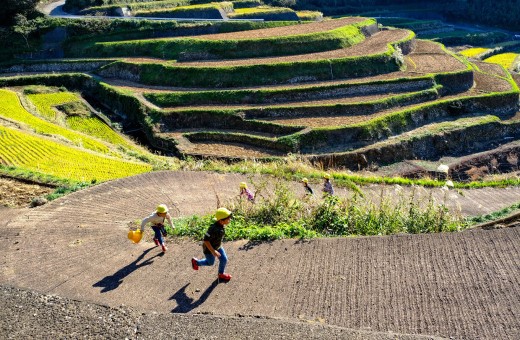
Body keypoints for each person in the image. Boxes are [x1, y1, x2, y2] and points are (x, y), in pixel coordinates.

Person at [191, 207, 233, 282]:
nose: (230, 220)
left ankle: (221, 274)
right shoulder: (213, 229)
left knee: (224, 259)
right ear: (221, 221)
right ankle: (196, 262)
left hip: (217, 246)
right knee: (210, 263)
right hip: (209, 249)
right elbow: (206, 240)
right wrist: (213, 251)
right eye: (228, 219)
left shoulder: (221, 225)